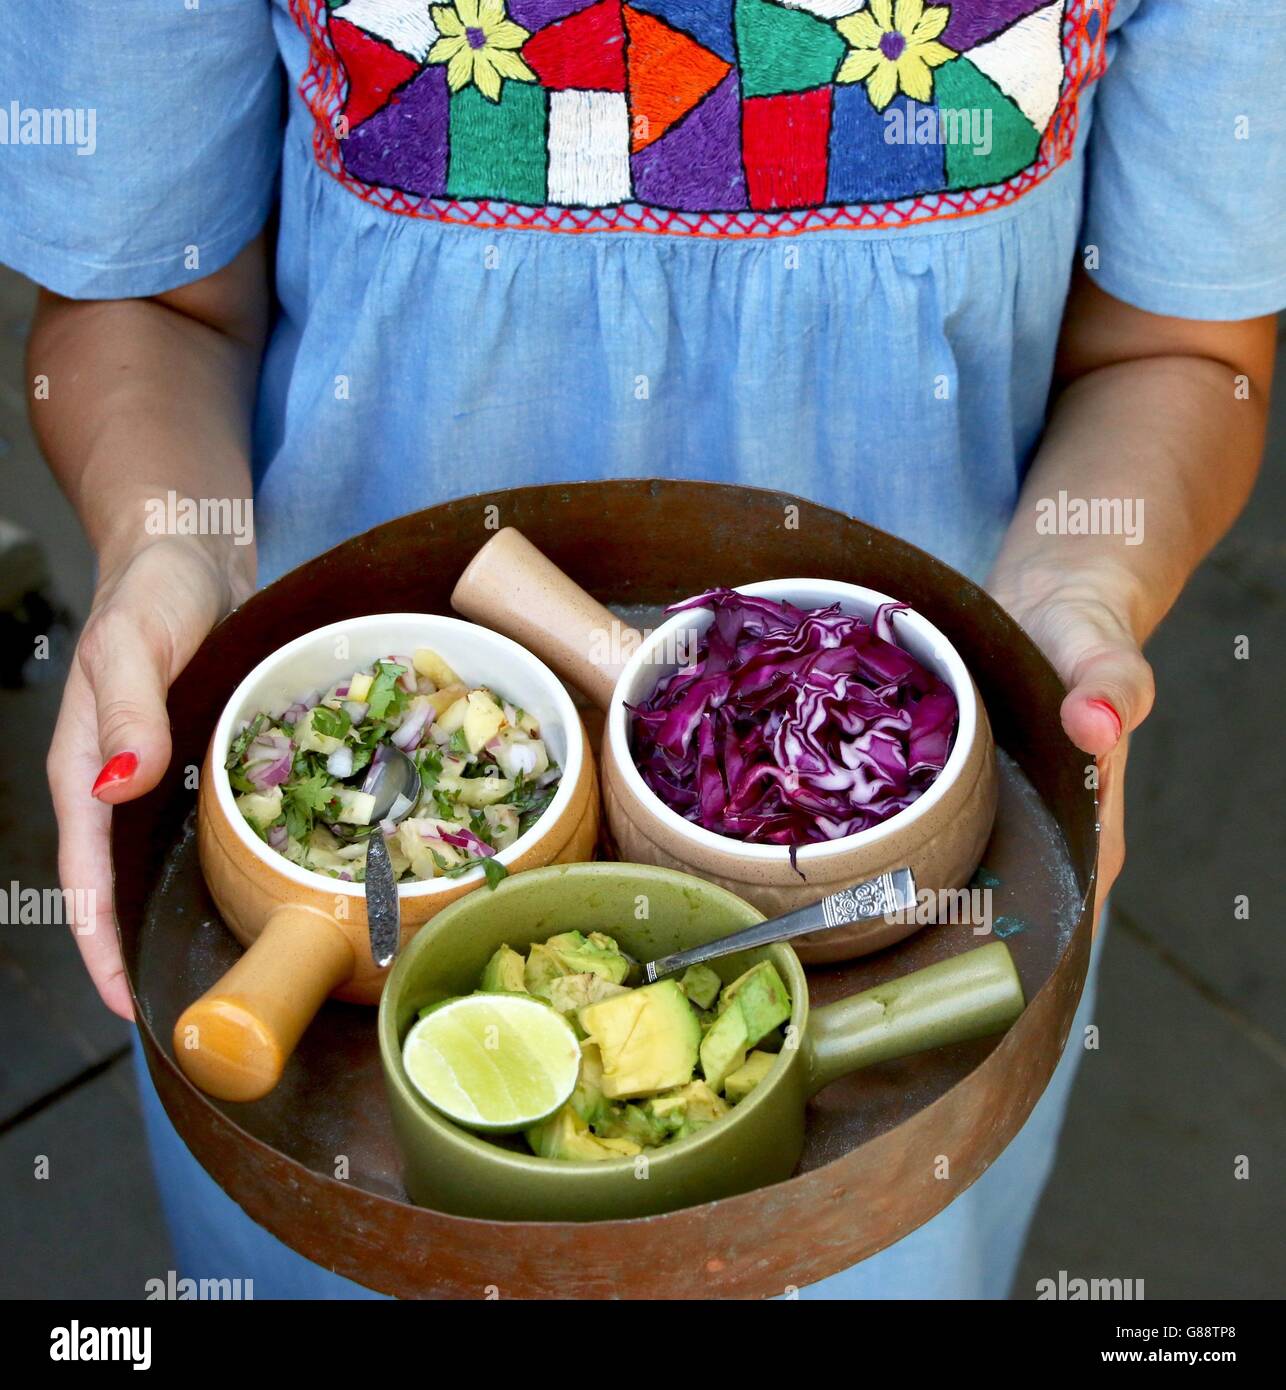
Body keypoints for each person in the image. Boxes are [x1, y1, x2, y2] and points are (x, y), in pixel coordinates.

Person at [2, 0, 1281, 1298]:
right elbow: (150, 306)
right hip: (338, 908)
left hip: (914, 898)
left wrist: (1080, 589)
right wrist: (167, 548)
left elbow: (1175, 348)